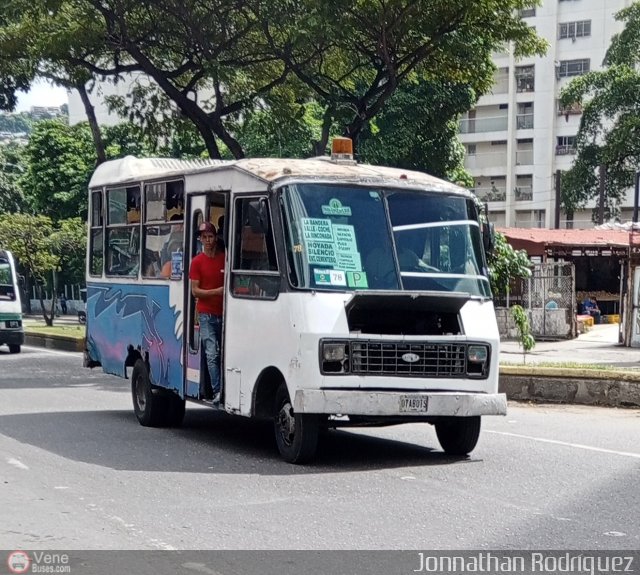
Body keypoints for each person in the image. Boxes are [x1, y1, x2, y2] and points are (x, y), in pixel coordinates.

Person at [189, 222, 225, 404]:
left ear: (215, 238)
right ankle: (218, 391)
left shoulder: (224, 259)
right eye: (204, 237)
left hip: (225, 315)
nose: (208, 240)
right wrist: (217, 292)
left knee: (224, 353)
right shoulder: (196, 262)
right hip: (206, 315)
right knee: (212, 353)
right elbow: (195, 291)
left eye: (210, 236)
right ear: (200, 239)